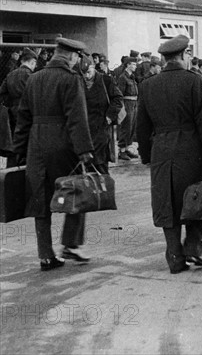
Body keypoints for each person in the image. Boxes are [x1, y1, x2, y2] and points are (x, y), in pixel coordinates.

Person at [136, 34, 202, 274]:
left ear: (164, 59)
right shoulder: (193, 81)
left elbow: (141, 128)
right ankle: (193, 248)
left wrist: (146, 156)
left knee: (168, 204)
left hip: (162, 151)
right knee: (197, 199)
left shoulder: (147, 85)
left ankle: (175, 257)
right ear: (184, 55)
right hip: (192, 151)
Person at [12, 37, 95, 271]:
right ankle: (70, 243)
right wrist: (85, 150)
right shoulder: (71, 79)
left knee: (40, 199)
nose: (78, 60)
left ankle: (46, 255)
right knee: (77, 192)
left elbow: (23, 118)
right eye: (78, 56)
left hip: (36, 146)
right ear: (71, 56)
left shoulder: (34, 78)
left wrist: (20, 150)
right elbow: (76, 118)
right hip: (63, 145)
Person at [79, 56, 124, 173]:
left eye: (88, 72)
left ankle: (104, 188)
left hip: (101, 127)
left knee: (100, 162)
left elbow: (118, 99)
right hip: (84, 128)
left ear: (94, 68)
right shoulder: (78, 82)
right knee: (85, 164)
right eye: (83, 73)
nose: (86, 76)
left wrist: (109, 116)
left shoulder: (106, 81)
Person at [0, 48, 37, 134]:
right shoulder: (32, 76)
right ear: (32, 62)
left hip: (13, 110)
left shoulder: (10, 75)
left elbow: (2, 92)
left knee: (15, 135)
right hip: (28, 109)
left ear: (21, 61)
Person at [117, 57, 139, 160]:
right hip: (127, 103)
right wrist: (122, 107)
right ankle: (121, 151)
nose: (135, 66)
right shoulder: (123, 77)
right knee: (126, 126)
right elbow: (120, 94)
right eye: (133, 64)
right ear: (128, 65)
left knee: (132, 126)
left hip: (134, 103)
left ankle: (127, 149)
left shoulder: (131, 77)